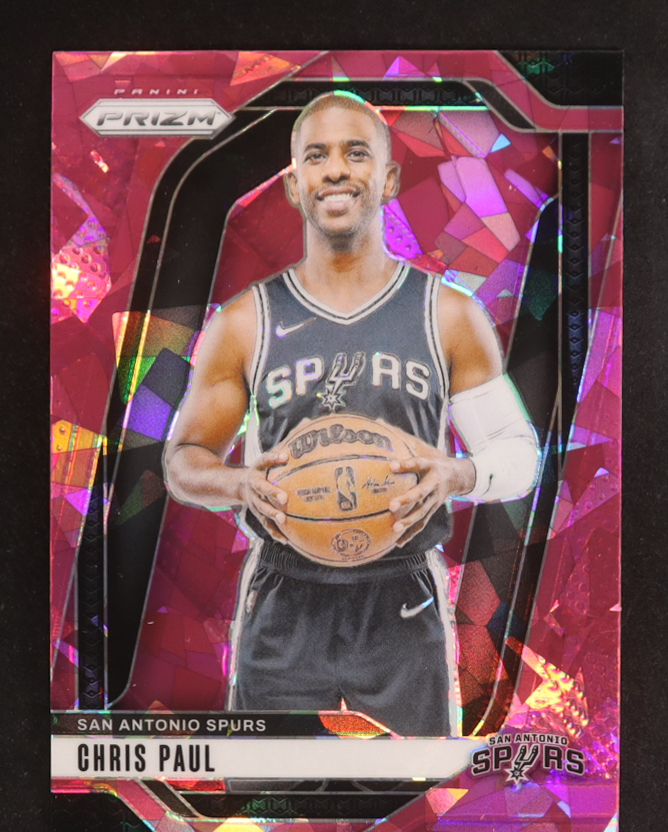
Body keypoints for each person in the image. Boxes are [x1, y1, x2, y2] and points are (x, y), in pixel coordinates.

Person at [164, 92, 538, 737]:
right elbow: (182, 462)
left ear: (388, 179)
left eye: (355, 152)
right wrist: (238, 483)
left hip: (401, 599)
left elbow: (520, 454)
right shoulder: (245, 321)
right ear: (293, 186)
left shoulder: (448, 315)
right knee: (271, 793)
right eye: (316, 156)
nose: (335, 169)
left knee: (404, 793)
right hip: (284, 597)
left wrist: (457, 474)